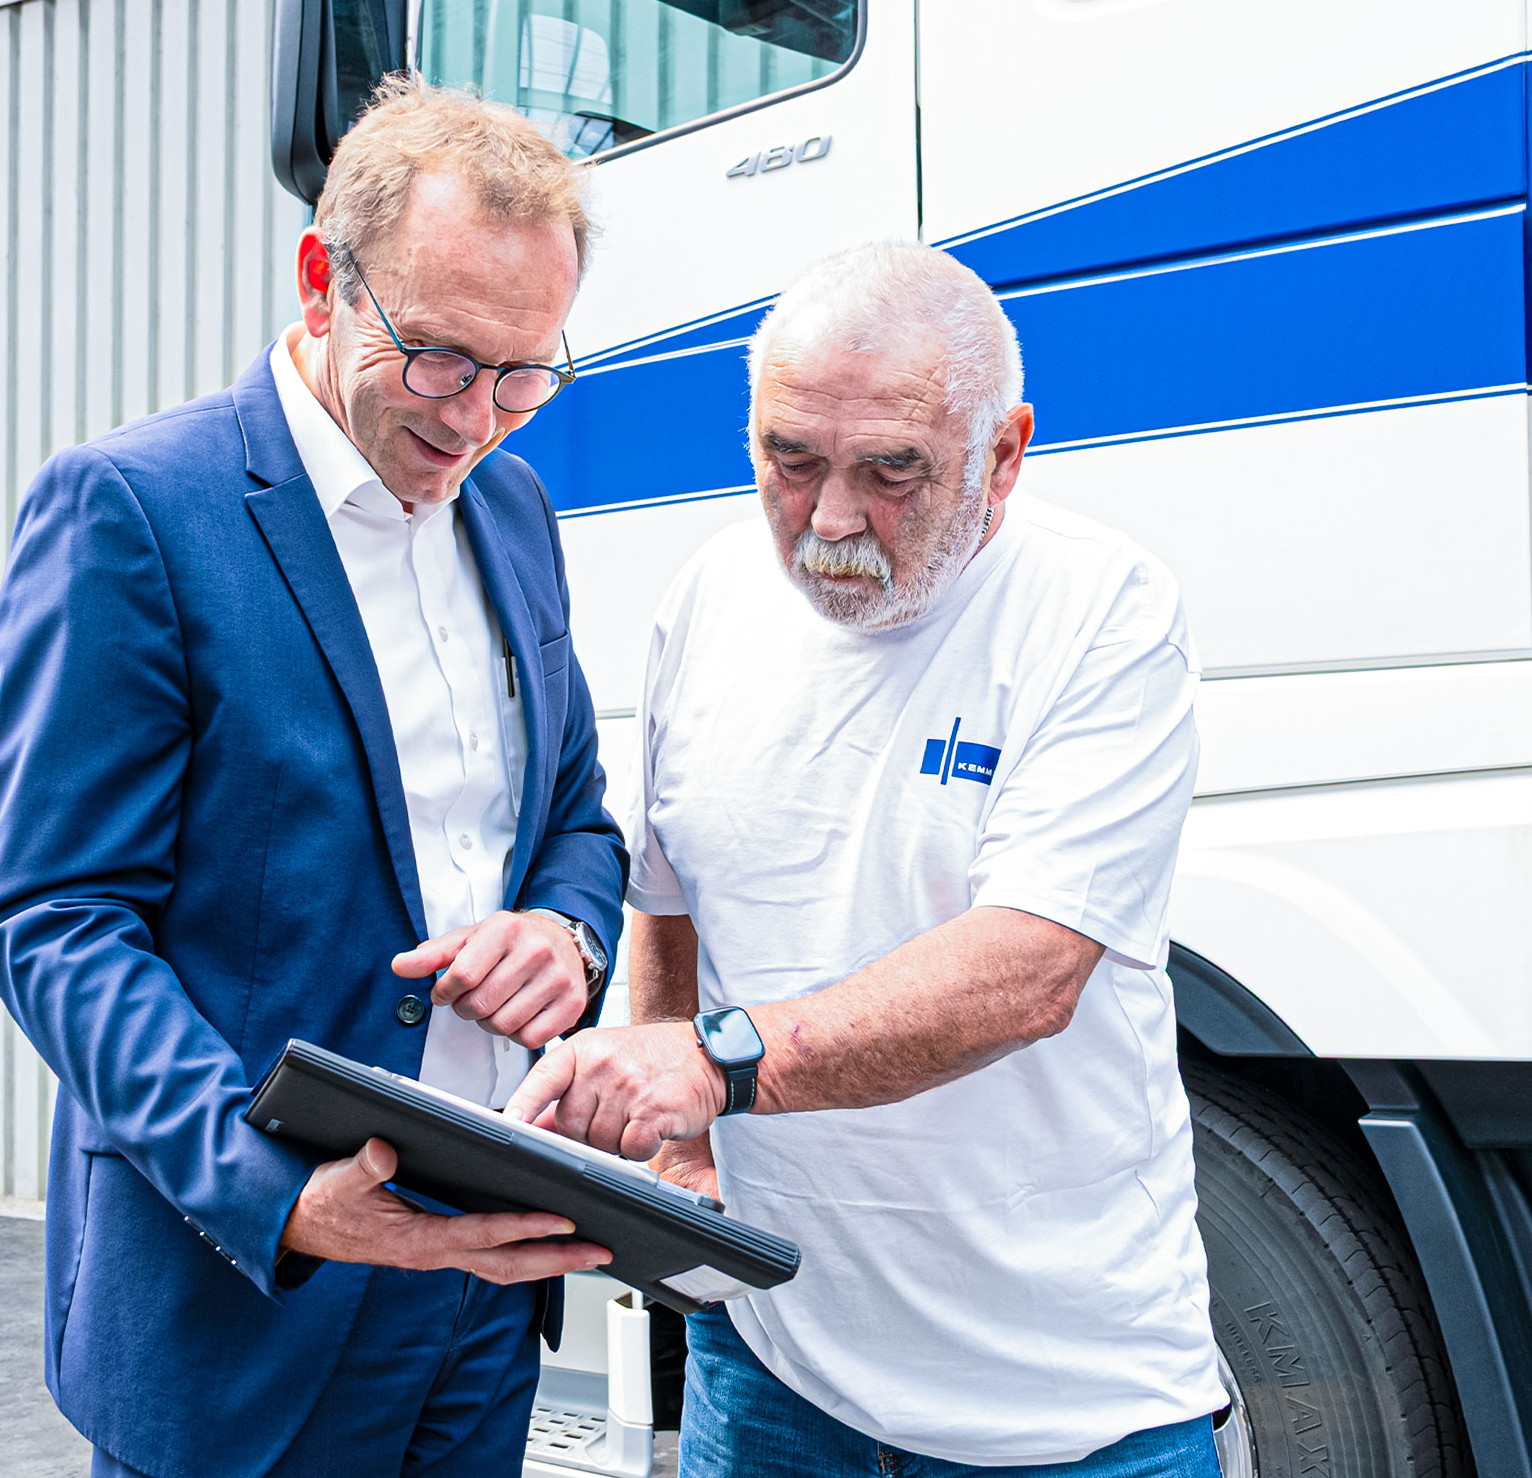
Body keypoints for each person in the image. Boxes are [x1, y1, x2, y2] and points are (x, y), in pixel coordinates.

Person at [0, 77, 627, 1478]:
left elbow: (575, 817)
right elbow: (54, 921)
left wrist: (566, 936)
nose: (479, 420)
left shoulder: (514, 508)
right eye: (440, 358)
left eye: (526, 373)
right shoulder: (136, 509)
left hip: (483, 1288)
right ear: (323, 279)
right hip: (247, 1289)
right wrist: (274, 1189)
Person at [507, 241, 1227, 1476]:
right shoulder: (711, 598)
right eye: (790, 461)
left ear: (1004, 454)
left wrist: (713, 1065)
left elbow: (1027, 972)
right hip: (772, 1368)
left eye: (892, 470)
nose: (831, 519)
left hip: (1062, 1407)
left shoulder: (1101, 610)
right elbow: (671, 901)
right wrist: (682, 1155)